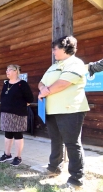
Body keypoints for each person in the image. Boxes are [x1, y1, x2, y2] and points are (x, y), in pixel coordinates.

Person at [38, 36, 90, 189]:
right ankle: (54, 168)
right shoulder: (54, 66)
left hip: (70, 110)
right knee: (55, 140)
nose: (53, 51)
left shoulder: (75, 63)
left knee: (72, 144)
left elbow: (63, 83)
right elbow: (41, 82)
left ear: (65, 48)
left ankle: (76, 179)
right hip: (52, 110)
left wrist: (45, 91)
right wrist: (42, 89)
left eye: (55, 48)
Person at [0, 65, 34, 166]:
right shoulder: (6, 84)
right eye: (6, 70)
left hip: (18, 114)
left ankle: (18, 157)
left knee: (18, 135)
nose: (7, 71)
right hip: (6, 113)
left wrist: (20, 104)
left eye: (9, 70)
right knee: (7, 134)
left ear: (16, 71)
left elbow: (30, 99)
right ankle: (7, 154)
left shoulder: (22, 84)